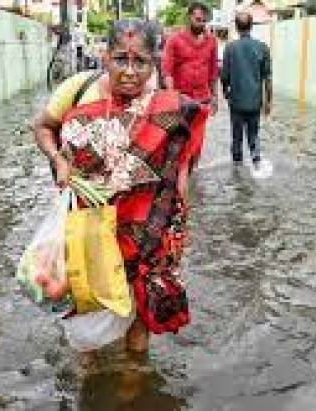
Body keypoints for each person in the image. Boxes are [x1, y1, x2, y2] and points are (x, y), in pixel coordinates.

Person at [33, 19, 205, 352]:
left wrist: (177, 225)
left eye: (140, 61)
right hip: (89, 219)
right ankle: (89, 368)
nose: (130, 71)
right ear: (104, 56)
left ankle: (132, 380)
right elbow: (42, 126)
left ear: (153, 61)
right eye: (120, 59)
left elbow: (180, 167)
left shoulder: (168, 107)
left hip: (146, 226)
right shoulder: (78, 89)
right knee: (86, 293)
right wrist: (58, 159)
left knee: (140, 300)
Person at [221, 11, 272, 167]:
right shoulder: (263, 48)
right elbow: (268, 78)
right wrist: (268, 101)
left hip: (236, 101)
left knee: (236, 137)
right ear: (251, 26)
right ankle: (256, 165)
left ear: (236, 27)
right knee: (253, 135)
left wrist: (225, 92)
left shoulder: (230, 48)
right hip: (255, 102)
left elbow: (224, 76)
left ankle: (237, 170)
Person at [162, 2, 219, 112]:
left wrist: (215, 97)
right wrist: (172, 98)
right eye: (198, 20)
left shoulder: (211, 41)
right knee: (181, 129)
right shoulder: (174, 40)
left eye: (204, 21)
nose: (201, 24)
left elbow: (213, 72)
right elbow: (167, 72)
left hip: (203, 98)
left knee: (200, 129)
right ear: (189, 17)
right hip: (181, 99)